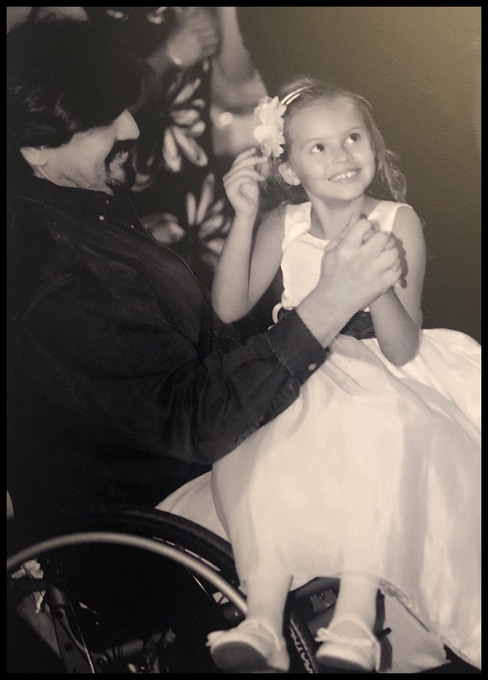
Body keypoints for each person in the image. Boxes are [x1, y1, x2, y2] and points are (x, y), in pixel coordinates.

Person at [6, 19, 402, 530]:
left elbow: (209, 344)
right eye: (105, 120)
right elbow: (196, 421)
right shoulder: (58, 276)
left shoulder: (82, 207)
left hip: (213, 463)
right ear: (36, 148)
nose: (130, 129)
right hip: (161, 519)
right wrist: (328, 304)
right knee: (387, 475)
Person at [184, 77, 479, 672]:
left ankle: (354, 622)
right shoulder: (285, 224)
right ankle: (262, 619)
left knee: (372, 430)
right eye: (317, 147)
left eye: (352, 138)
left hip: (382, 370)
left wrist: (371, 282)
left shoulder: (397, 220)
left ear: (373, 144)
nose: (341, 155)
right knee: (255, 447)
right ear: (288, 169)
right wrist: (244, 217)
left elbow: (401, 349)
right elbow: (230, 308)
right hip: (301, 362)